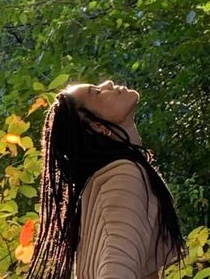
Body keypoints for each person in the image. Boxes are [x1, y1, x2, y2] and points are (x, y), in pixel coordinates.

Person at [25, 80, 185, 279]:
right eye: (97, 92)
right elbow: (116, 268)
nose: (108, 83)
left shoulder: (106, 180)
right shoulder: (123, 178)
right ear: (97, 126)